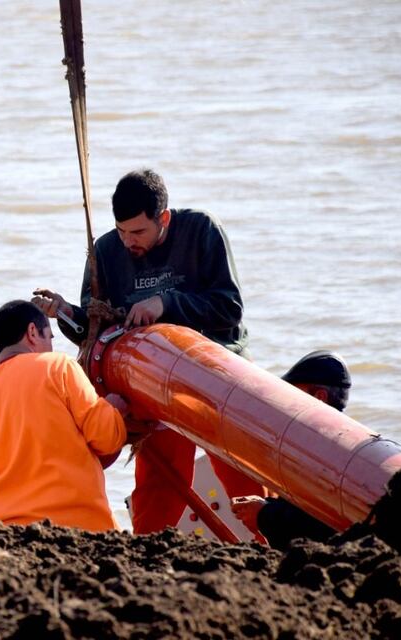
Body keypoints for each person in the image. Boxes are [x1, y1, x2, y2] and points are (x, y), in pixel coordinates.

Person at [33, 168, 263, 534]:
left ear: (164, 219)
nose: (128, 242)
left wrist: (165, 303)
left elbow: (229, 309)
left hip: (217, 370)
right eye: (121, 231)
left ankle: (270, 537)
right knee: (158, 487)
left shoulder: (201, 230)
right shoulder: (106, 250)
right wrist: (64, 312)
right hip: (155, 381)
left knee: (243, 478)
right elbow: (94, 336)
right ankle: (149, 546)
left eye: (138, 232)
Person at [0, 300, 140, 532]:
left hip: (10, 530)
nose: (50, 347)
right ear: (32, 332)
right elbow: (105, 437)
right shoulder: (57, 366)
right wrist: (114, 410)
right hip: (77, 525)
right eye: (49, 338)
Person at [231, 350, 351, 549]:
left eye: (295, 395)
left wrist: (263, 514)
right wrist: (265, 506)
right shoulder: (343, 441)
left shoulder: (321, 451)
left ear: (320, 397)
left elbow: (316, 526)